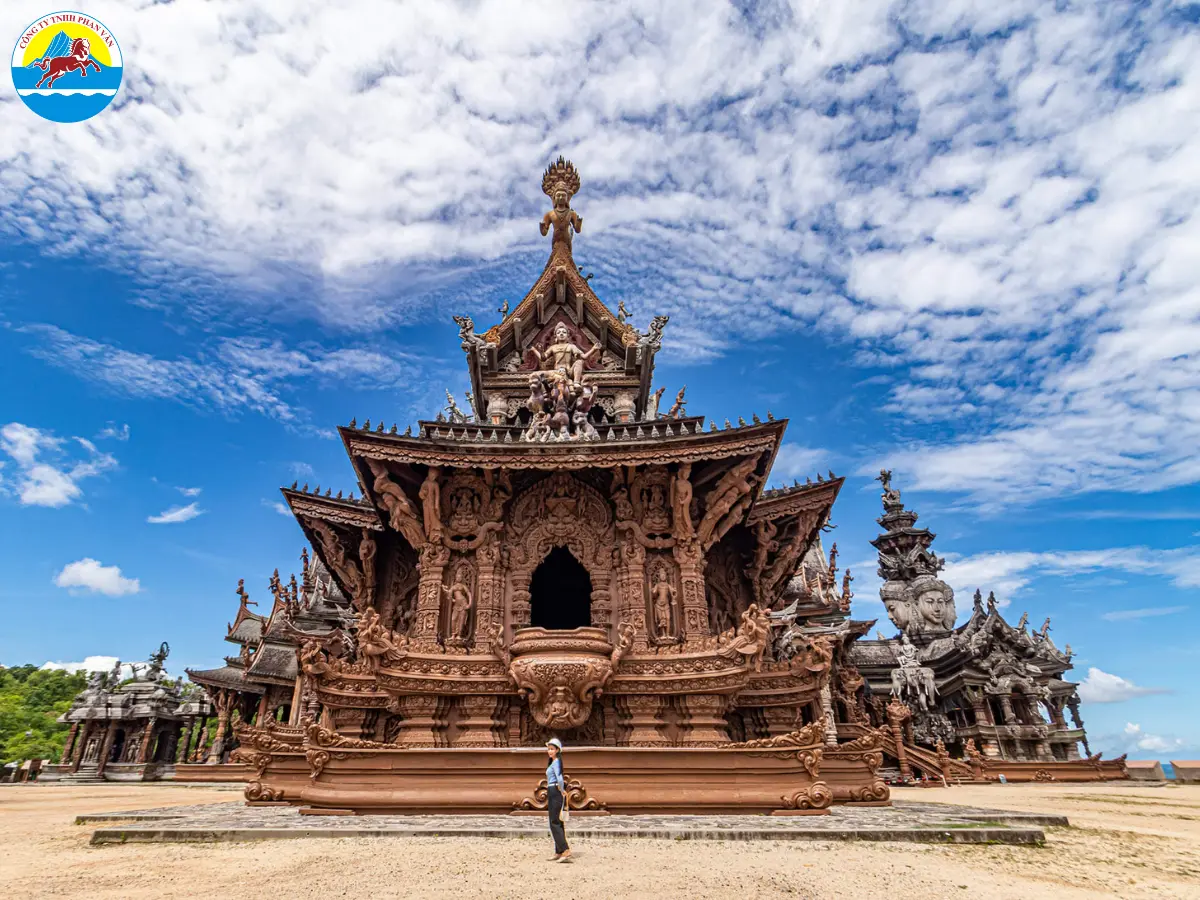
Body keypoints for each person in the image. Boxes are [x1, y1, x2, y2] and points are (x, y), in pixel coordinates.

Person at [545, 738, 571, 862]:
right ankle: (558, 851)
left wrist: (561, 790)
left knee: (554, 821)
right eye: (548, 749)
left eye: (552, 749)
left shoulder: (556, 763)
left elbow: (559, 778)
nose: (549, 751)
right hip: (553, 790)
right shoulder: (554, 762)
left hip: (555, 790)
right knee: (557, 821)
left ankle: (565, 850)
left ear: (557, 750)